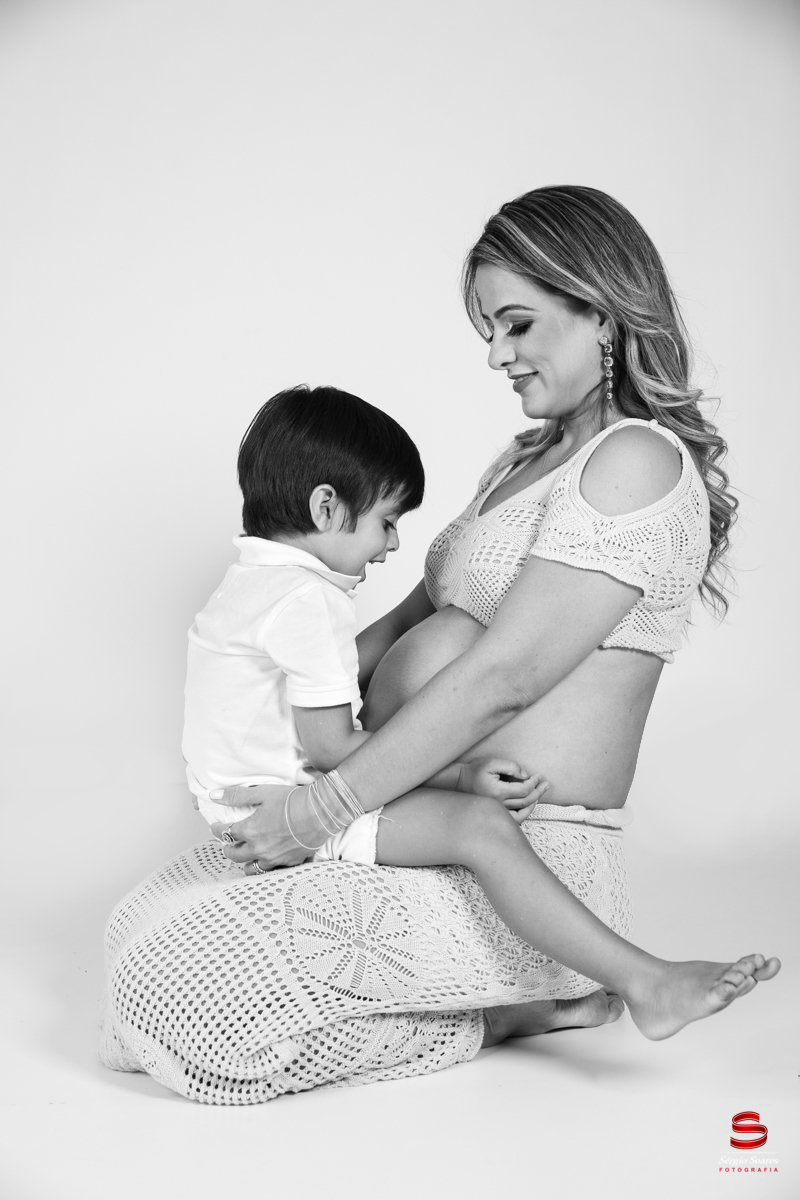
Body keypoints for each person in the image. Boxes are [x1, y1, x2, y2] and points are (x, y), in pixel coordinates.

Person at [101, 186, 779, 1105]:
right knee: (139, 933)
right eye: (489, 331)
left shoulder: (634, 461)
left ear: (602, 312)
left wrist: (325, 805)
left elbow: (506, 678)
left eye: (517, 324)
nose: (497, 355)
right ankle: (532, 1002)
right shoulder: (525, 463)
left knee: (184, 1002)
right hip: (405, 809)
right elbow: (399, 631)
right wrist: (264, 670)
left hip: (520, 851)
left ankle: (529, 1004)